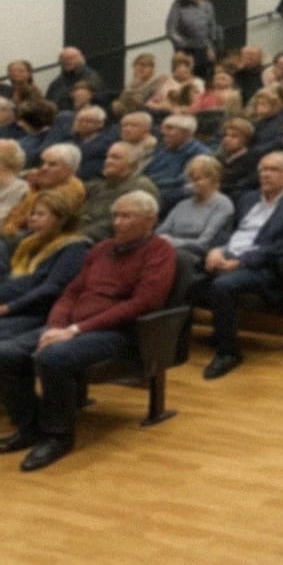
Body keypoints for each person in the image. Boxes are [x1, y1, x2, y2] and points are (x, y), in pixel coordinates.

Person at [0, 190, 175, 470]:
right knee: (6, 353)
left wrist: (76, 329)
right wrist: (55, 325)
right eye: (115, 215)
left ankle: (58, 436)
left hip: (118, 332)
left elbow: (144, 303)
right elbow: (71, 292)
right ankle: (30, 426)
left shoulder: (160, 251)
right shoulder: (102, 249)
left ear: (150, 220)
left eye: (127, 216)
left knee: (53, 356)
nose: (117, 222)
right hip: (71, 326)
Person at [193, 151, 283, 379]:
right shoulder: (248, 198)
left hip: (265, 267)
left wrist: (241, 262)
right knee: (184, 267)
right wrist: (216, 250)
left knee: (223, 285)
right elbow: (229, 231)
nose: (265, 174)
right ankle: (174, 342)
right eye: (262, 169)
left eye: (273, 169)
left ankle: (228, 353)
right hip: (230, 254)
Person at [0, 189, 90, 339]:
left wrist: (8, 308)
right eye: (32, 213)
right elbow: (10, 279)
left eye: (40, 214)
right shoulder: (28, 243)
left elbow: (51, 289)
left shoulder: (74, 247)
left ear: (61, 219)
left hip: (32, 312)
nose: (32, 218)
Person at [154, 154, 234, 267]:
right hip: (168, 248)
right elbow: (161, 231)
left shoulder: (222, 204)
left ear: (212, 179)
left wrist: (173, 242)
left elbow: (204, 243)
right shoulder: (182, 204)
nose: (191, 185)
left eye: (197, 179)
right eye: (191, 180)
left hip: (197, 255)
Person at [79, 140, 160, 240]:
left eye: (115, 158)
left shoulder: (140, 187)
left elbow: (120, 223)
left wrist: (78, 235)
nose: (108, 161)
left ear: (132, 164)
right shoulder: (100, 185)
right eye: (107, 157)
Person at [166, 0, 222, 78]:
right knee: (185, 77)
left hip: (204, 49)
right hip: (186, 50)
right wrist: (183, 49)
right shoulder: (179, 4)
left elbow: (212, 26)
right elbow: (171, 30)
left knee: (205, 78)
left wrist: (211, 47)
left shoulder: (208, 4)